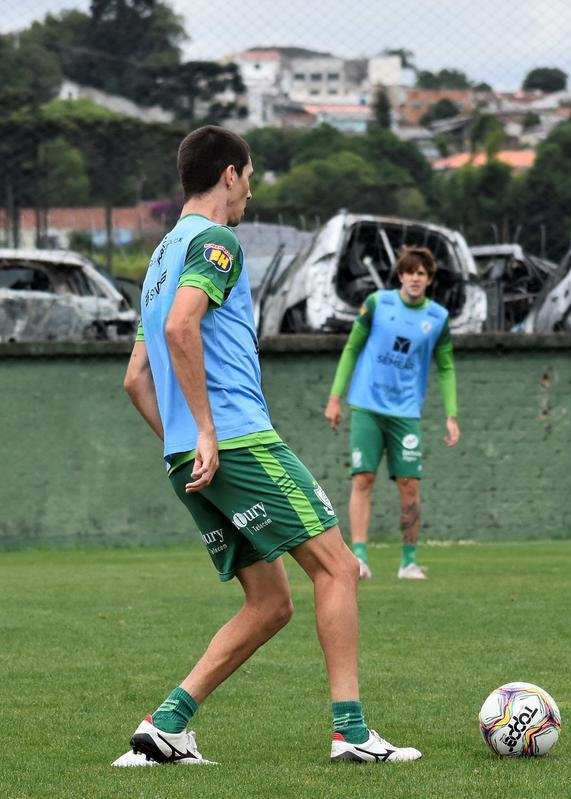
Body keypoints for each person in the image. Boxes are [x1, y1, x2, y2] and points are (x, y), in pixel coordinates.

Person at [117, 125, 421, 765]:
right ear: (229, 173)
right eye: (249, 176)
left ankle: (166, 726)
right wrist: (209, 432)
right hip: (237, 442)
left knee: (270, 603)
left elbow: (135, 379)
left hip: (190, 458)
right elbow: (181, 328)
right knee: (338, 568)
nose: (251, 191)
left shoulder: (160, 258)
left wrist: (186, 445)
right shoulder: (217, 242)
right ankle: (351, 734)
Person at [323, 247, 460, 580]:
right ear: (400, 276)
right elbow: (352, 348)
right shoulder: (377, 304)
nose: (415, 278)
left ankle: (408, 562)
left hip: (406, 412)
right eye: (409, 272)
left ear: (429, 279)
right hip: (367, 406)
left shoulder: (438, 318)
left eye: (421, 273)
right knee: (363, 479)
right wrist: (335, 398)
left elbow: (445, 367)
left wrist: (451, 415)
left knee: (410, 485)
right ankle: (359, 559)